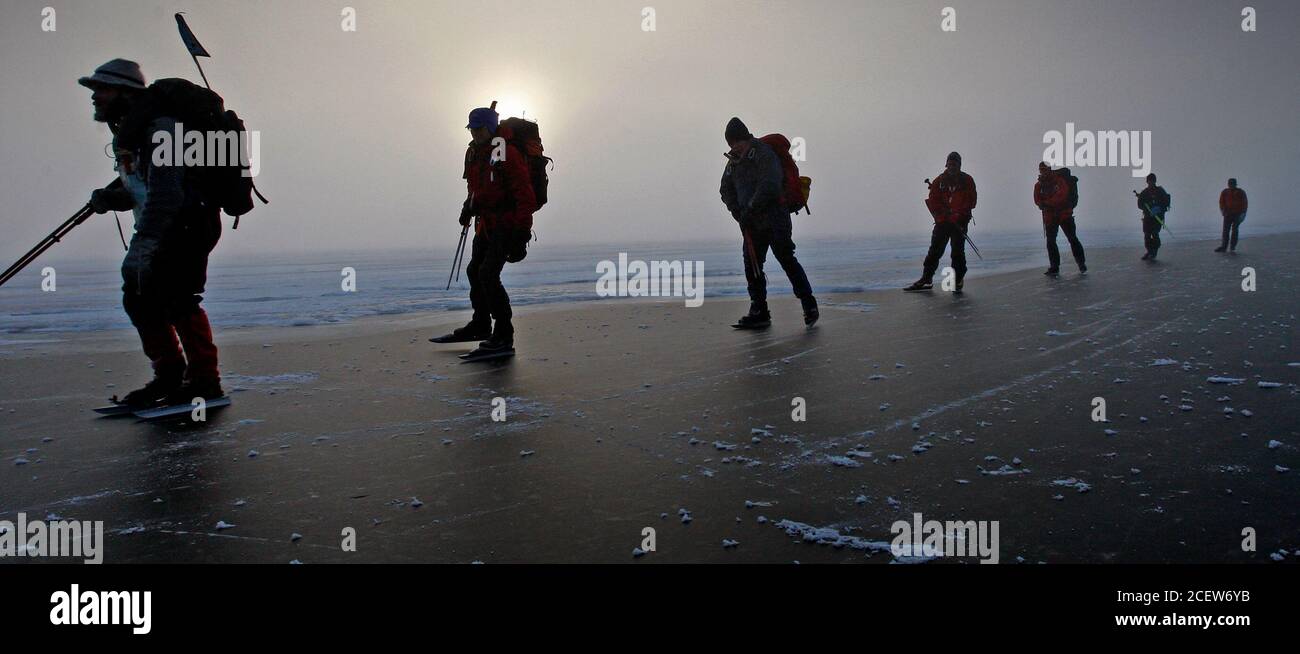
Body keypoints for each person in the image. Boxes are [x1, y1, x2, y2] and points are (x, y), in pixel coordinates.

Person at [81, 59, 224, 408]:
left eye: (102, 89)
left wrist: (147, 241)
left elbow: (168, 192)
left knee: (178, 299)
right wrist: (111, 197)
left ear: (125, 92)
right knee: (140, 297)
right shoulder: (132, 129)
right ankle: (170, 375)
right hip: (161, 227)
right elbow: (144, 187)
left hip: (186, 226)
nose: (95, 97)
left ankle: (205, 382)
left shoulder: (162, 128)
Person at [431, 105, 536, 357]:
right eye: (472, 129)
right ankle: (481, 325)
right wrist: (468, 208)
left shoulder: (506, 152)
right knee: (474, 271)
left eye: (479, 129)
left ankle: (503, 336)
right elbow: (476, 188)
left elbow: (526, 197)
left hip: (506, 224)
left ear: (489, 127)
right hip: (485, 224)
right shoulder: (476, 153)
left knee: (488, 274)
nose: (475, 134)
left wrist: (521, 234)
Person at [719, 117, 817, 328]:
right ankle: (759, 311)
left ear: (746, 138)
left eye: (737, 142)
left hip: (775, 217)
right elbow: (725, 190)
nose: (734, 147)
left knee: (786, 258)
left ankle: (809, 304)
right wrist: (737, 212)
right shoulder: (732, 163)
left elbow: (770, 184)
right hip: (750, 223)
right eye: (731, 143)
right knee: (752, 265)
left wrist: (751, 207)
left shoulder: (764, 153)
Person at [904, 152, 977, 292]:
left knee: (957, 252)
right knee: (935, 251)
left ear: (959, 165)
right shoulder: (939, 181)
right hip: (943, 222)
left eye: (955, 164)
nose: (952, 166)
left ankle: (957, 280)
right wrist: (943, 213)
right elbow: (933, 200)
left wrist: (958, 214)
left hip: (960, 222)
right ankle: (926, 279)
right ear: (946, 164)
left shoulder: (967, 180)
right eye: (950, 164)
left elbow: (972, 201)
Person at [1033, 162, 1086, 275]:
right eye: (1041, 169)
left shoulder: (1059, 181)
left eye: (1044, 169)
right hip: (1050, 217)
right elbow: (1037, 199)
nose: (1042, 171)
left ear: (1049, 169)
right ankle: (1054, 267)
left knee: (1072, 238)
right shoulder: (1039, 185)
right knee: (1051, 242)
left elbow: (1062, 195)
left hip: (1064, 215)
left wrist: (1046, 203)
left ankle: (1081, 263)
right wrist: (1042, 204)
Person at [1136, 173, 1170, 261]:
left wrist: (1158, 208)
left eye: (1152, 181)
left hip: (1158, 217)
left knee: (1155, 234)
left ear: (1155, 181)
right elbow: (1139, 205)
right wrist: (1147, 208)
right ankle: (1149, 251)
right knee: (1147, 235)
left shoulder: (1160, 191)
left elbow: (1166, 202)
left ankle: (1154, 251)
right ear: (1147, 182)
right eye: (1149, 181)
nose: (1151, 183)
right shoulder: (1144, 192)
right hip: (1147, 218)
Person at [1216, 178, 1247, 253]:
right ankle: (1224, 246)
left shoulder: (1240, 192)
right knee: (1226, 231)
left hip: (1237, 214)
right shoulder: (1225, 192)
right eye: (1230, 184)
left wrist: (1243, 213)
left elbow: (1244, 203)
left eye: (1232, 184)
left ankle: (1232, 247)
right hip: (1227, 214)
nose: (1231, 185)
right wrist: (1223, 210)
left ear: (1235, 184)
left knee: (1235, 230)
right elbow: (1221, 202)